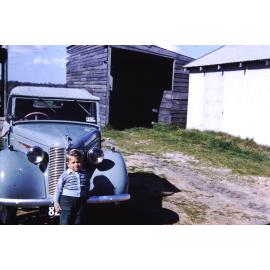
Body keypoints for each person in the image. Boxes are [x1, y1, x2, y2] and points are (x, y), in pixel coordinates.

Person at [54, 149, 90, 225]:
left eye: (78, 162)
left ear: (82, 162)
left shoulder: (85, 174)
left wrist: (86, 195)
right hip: (67, 200)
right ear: (68, 164)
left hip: (81, 201)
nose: (76, 164)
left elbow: (87, 185)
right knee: (65, 220)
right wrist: (56, 203)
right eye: (73, 162)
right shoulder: (65, 175)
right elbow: (58, 189)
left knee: (79, 219)